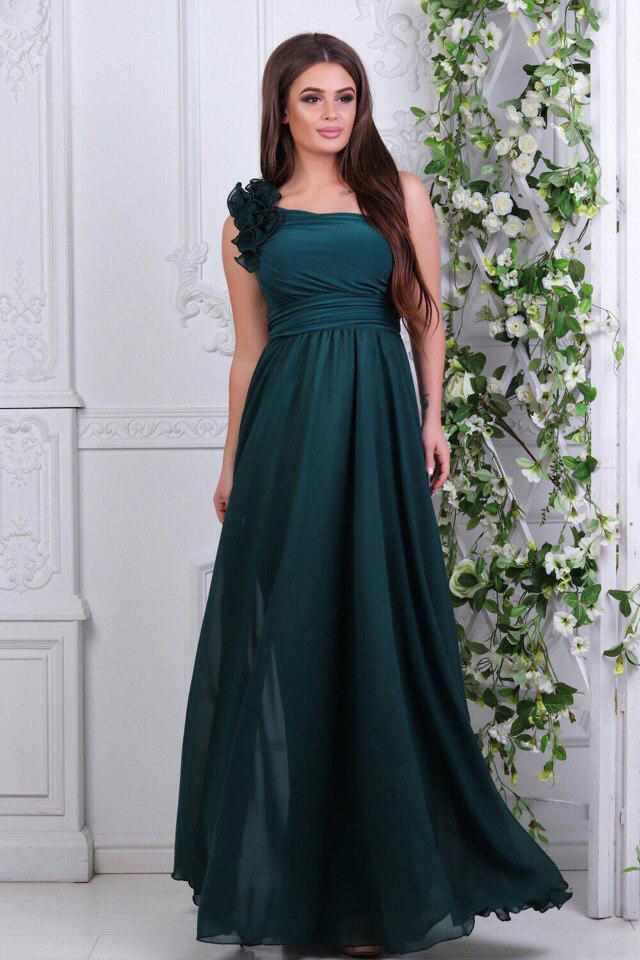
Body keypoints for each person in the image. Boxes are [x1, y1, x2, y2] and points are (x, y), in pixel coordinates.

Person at [171, 31, 572, 957]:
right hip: (284, 435)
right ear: (282, 111)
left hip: (378, 426)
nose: (331, 114)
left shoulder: (399, 195)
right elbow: (248, 352)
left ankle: (370, 896)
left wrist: (432, 418)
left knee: (376, 633)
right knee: (293, 637)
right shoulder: (250, 218)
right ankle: (291, 888)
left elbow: (425, 316)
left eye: (344, 96)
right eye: (312, 98)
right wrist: (231, 461)